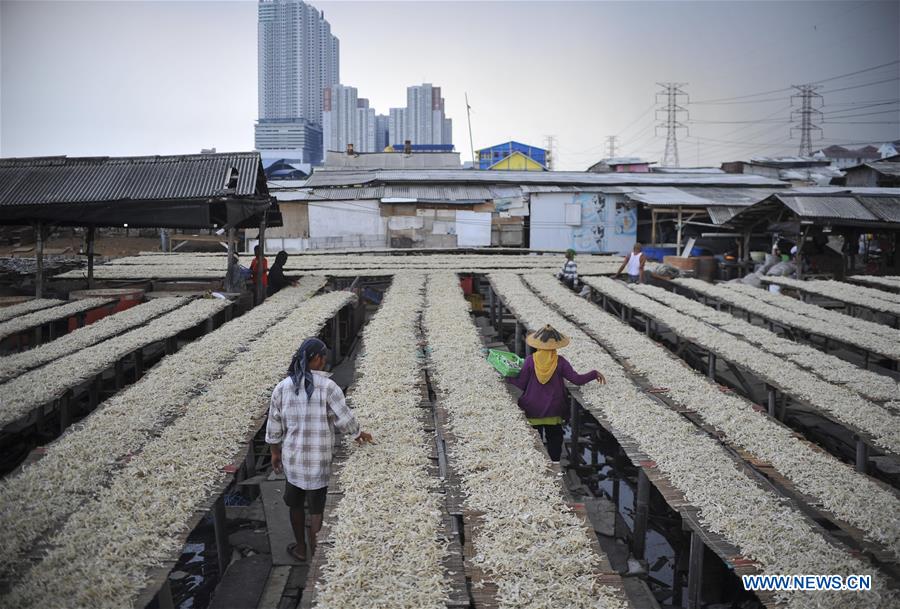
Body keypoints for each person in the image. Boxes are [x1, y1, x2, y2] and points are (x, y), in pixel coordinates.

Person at [265, 337, 374, 562]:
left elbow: (274, 426)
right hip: (319, 462)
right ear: (315, 358)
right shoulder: (328, 387)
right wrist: (358, 434)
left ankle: (301, 549)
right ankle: (317, 557)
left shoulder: (283, 387)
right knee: (316, 511)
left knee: (295, 505)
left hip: (293, 461)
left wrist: (275, 453)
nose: (325, 361)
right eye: (323, 357)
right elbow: (345, 420)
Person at [507, 325, 605, 462]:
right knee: (555, 439)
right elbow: (577, 380)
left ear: (538, 345)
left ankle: (538, 464)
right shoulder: (560, 362)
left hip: (533, 408)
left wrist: (508, 375)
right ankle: (554, 462)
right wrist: (594, 373)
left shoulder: (530, 361)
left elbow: (521, 383)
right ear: (555, 345)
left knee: (535, 441)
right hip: (554, 408)